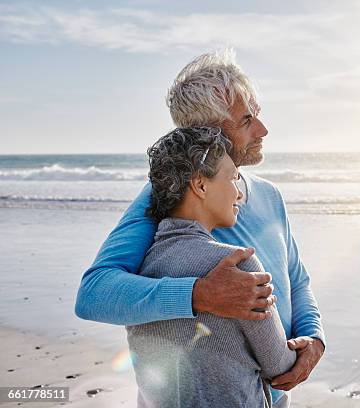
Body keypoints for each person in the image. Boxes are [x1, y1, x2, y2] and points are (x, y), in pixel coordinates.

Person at [75, 49, 325, 406]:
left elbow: (297, 281)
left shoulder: (271, 196)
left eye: (258, 114)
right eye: (246, 120)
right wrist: (198, 294)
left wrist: (314, 339)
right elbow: (94, 294)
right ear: (206, 134)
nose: (263, 129)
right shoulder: (166, 199)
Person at [129, 127, 295, 407]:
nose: (239, 195)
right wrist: (304, 347)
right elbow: (278, 366)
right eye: (233, 178)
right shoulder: (236, 266)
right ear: (201, 185)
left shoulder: (136, 272)